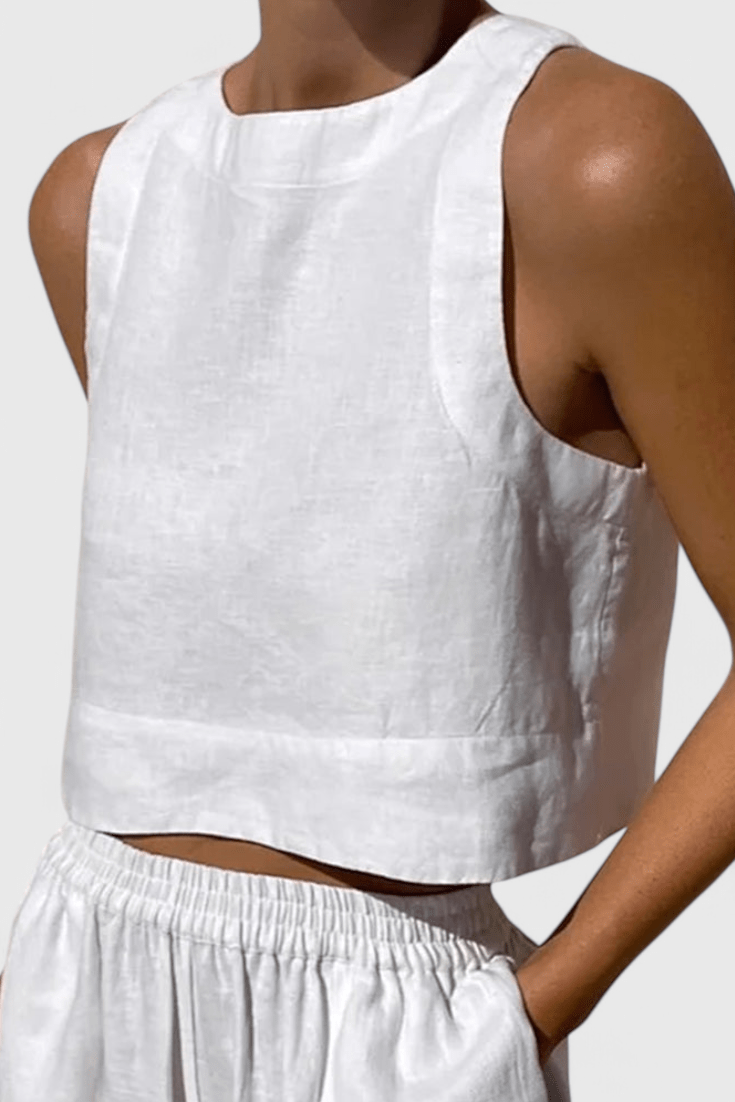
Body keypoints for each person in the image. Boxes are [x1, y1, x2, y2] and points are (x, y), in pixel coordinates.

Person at [2, 1, 735, 1098]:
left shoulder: (594, 161)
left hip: (396, 1040)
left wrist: (531, 1011)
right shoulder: (100, 196)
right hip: (80, 993)